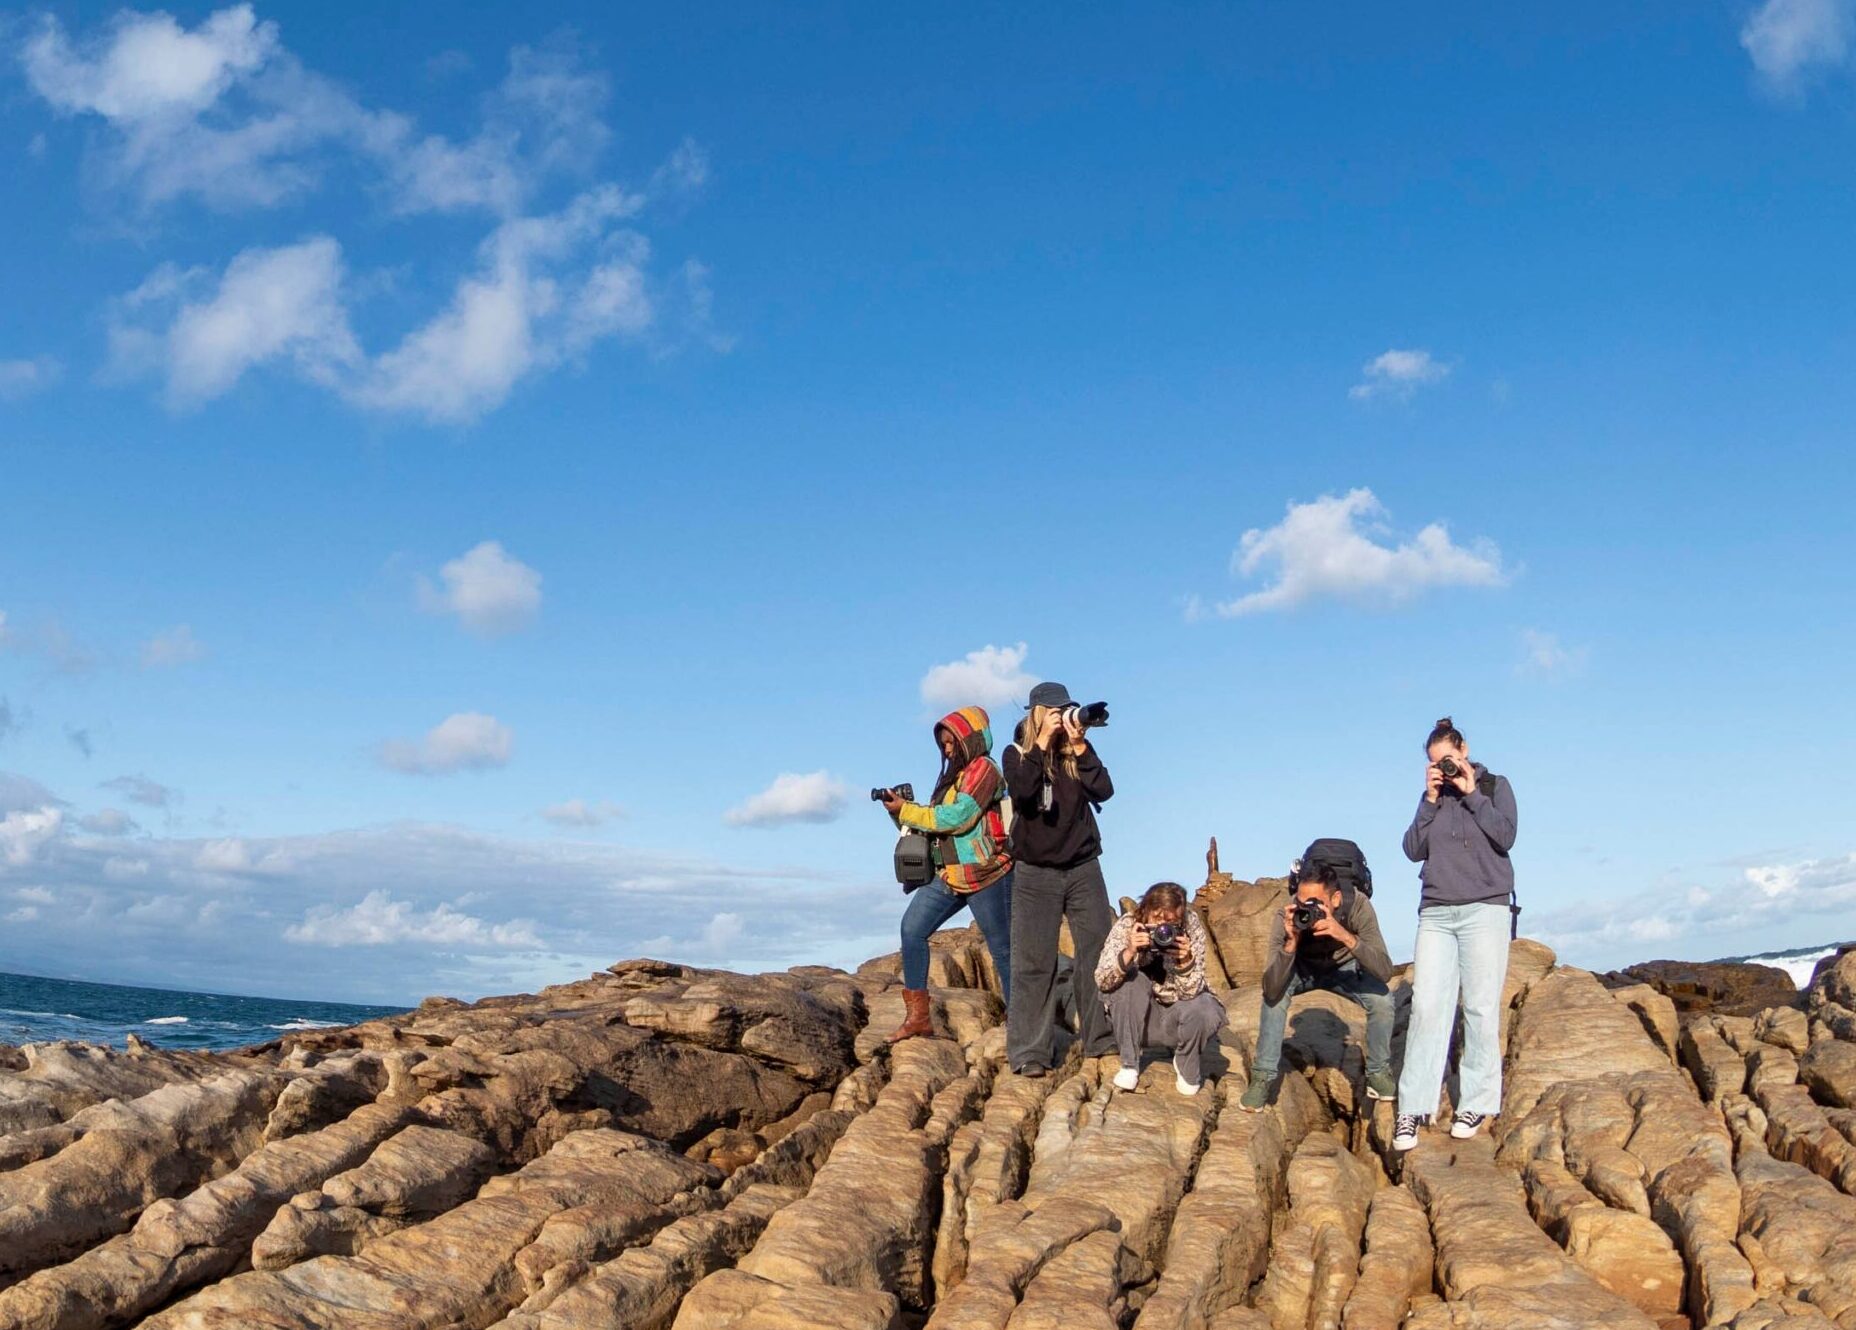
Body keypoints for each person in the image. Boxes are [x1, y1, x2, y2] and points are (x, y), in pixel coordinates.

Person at [1393, 715, 1519, 1151]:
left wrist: (1470, 793)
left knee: (1481, 1009)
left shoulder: (1493, 786)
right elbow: (1412, 850)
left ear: (1463, 750)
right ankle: (1412, 1108)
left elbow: (1506, 836)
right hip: (1437, 913)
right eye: (1435, 763)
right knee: (1427, 1007)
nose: (1444, 768)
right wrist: (1429, 799)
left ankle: (1477, 1102)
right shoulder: (1432, 797)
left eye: (1448, 759)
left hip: (1486, 908)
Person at [879, 706, 1014, 1041]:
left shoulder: (985, 769)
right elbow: (937, 821)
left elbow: (958, 818)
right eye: (943, 744)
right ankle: (918, 1018)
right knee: (912, 929)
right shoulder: (953, 777)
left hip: (987, 872)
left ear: (970, 739)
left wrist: (909, 810)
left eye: (952, 742)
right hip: (951, 874)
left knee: (1003, 949)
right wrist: (900, 813)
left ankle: (1020, 1022)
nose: (947, 749)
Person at [1003, 681, 1116, 1076]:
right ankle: (1030, 1053)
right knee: (1033, 964)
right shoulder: (1017, 753)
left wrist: (1081, 745)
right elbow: (1022, 792)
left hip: (1084, 867)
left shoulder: (1076, 753)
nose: (1063, 716)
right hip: (1035, 873)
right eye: (1055, 711)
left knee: (1099, 956)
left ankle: (1101, 1038)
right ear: (1036, 713)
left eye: (1065, 710)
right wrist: (1044, 739)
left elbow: (1104, 790)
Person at [1238, 852, 1396, 1111]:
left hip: (1345, 967)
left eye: (1315, 903)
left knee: (1382, 1000)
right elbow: (1271, 987)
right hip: (1303, 967)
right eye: (1302, 902)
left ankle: (1378, 1074)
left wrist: (1345, 935)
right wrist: (1291, 943)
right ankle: (1262, 1079)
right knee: (1274, 1000)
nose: (1306, 910)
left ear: (1335, 899)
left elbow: (1385, 971)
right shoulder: (1287, 915)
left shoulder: (1357, 906)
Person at [1095, 881, 1227, 1095]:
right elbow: (1102, 981)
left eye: (1171, 923)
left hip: (1177, 1016)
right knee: (1131, 981)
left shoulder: (1191, 928)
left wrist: (1185, 963)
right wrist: (1129, 951)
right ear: (1144, 911)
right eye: (1156, 920)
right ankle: (1129, 1063)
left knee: (1206, 1006)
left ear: (1181, 918)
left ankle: (1186, 1061)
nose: (1162, 930)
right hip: (1139, 1019)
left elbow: (1192, 995)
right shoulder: (1128, 925)